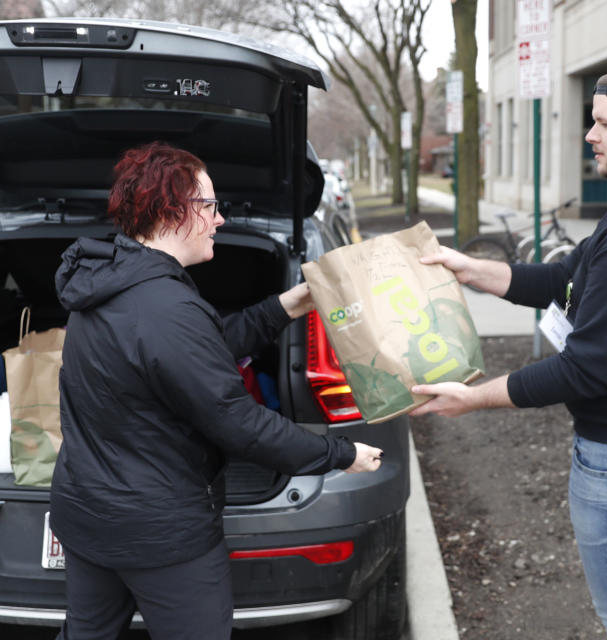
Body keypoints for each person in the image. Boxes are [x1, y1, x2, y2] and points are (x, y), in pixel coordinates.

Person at [411, 58, 607, 639]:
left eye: (603, 123)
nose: (589, 135)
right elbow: (565, 281)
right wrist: (471, 269)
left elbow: (587, 370)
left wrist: (470, 399)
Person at [49, 141, 383, 640]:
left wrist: (287, 306)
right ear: (173, 211)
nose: (220, 219)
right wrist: (339, 453)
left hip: (87, 513)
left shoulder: (110, 281)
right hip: (160, 533)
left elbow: (193, 352)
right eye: (210, 205)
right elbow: (240, 425)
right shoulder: (166, 308)